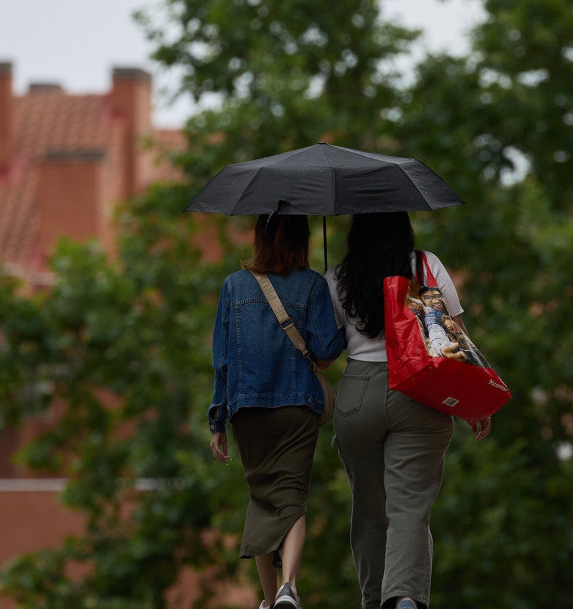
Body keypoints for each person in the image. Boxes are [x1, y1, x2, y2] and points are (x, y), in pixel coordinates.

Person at [324, 212, 492, 609]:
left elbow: (325, 351)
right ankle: (403, 600)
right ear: (403, 227)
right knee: (409, 506)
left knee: (368, 508)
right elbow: (456, 338)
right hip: (420, 390)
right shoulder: (425, 266)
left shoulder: (336, 277)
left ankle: (373, 601)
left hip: (359, 394)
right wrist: (475, 402)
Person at [207, 213, 346, 609]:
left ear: (258, 238)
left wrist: (217, 421)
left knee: (262, 497)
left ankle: (269, 602)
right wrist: (330, 313)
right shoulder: (313, 284)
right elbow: (325, 352)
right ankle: (289, 587)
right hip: (296, 406)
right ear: (303, 238)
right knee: (291, 496)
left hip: (247, 409)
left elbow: (222, 361)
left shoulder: (233, 286)